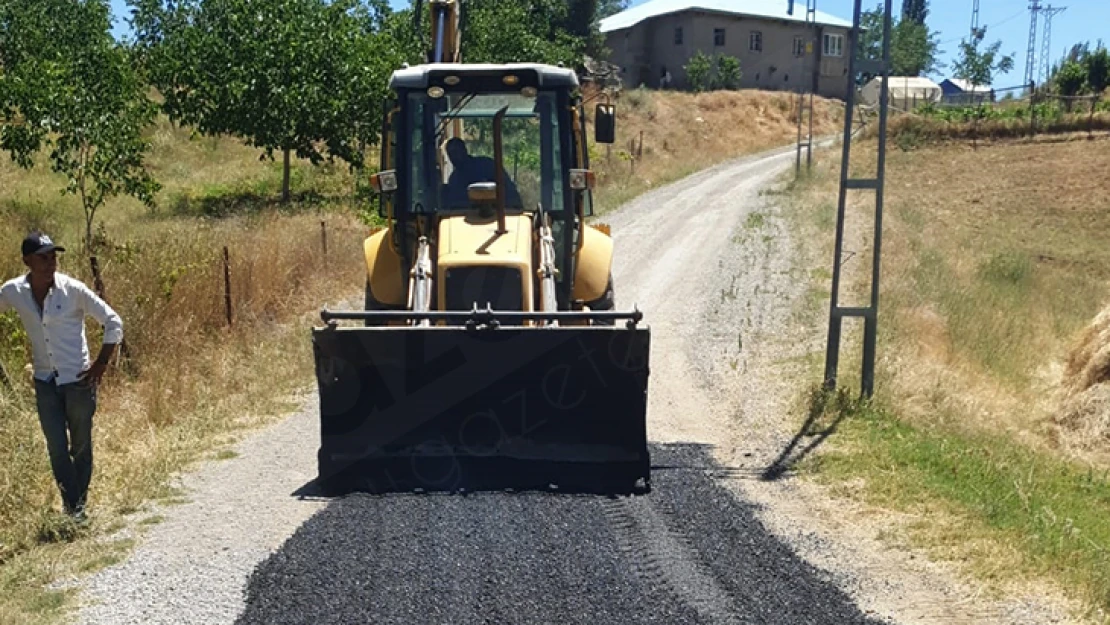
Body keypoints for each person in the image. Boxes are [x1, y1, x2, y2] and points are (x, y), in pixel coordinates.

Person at [0, 231, 122, 522]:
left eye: (53, 256)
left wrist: (101, 364)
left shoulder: (73, 290)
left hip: (78, 381)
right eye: (43, 257)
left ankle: (77, 508)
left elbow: (113, 322)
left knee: (80, 446)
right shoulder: (13, 291)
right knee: (56, 446)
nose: (50, 262)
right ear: (27, 260)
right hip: (44, 381)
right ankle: (74, 507)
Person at [443, 137, 522, 207]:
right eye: (450, 154)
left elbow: (510, 193)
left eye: (456, 152)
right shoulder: (454, 180)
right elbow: (454, 206)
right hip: (466, 216)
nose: (454, 157)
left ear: (464, 150)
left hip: (498, 213)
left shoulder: (486, 166)